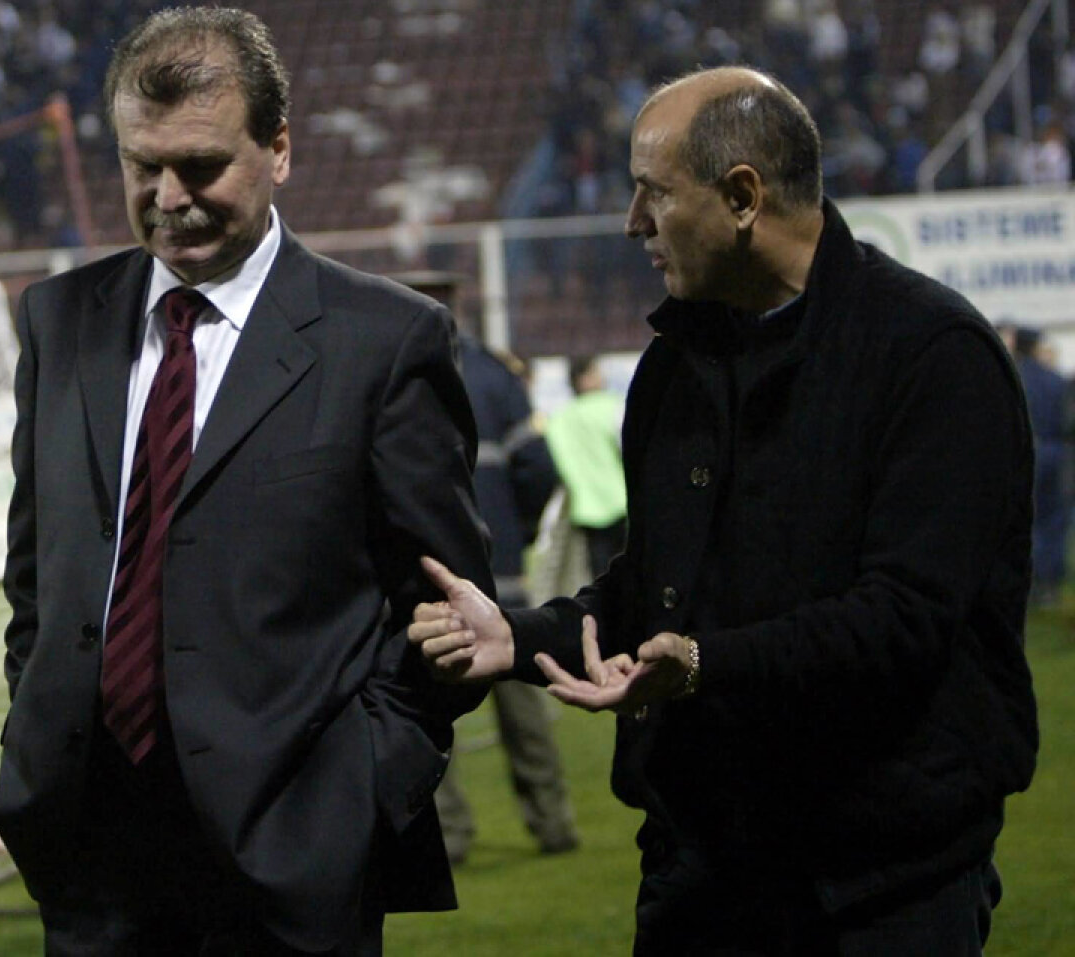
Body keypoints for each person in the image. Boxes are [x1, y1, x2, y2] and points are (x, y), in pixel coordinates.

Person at [409, 66, 1038, 955]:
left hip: (878, 883)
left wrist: (708, 663)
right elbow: (654, 588)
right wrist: (518, 636)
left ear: (743, 197)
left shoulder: (932, 355)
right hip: (701, 870)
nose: (633, 221)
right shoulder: (675, 363)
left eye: (654, 192)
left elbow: (906, 618)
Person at [0, 8, 493, 955]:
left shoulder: (384, 340)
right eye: (143, 166)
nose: (168, 197)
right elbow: (37, 576)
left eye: (201, 166)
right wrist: (39, 721)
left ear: (280, 150)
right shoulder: (59, 322)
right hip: (92, 857)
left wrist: (358, 786)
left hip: (293, 859)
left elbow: (451, 607)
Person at [396, 272, 579, 865]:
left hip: (422, 585)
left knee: (424, 706)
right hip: (501, 574)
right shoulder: (495, 376)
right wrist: (514, 535)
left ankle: (449, 835)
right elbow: (539, 470)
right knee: (523, 699)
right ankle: (552, 822)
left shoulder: (389, 371)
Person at [544, 353, 628, 578]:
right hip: (621, 501)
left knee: (599, 573)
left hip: (585, 506)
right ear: (584, 378)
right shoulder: (612, 407)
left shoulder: (559, 419)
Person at [1012, 326, 1071, 607]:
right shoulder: (1056, 380)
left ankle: (1028, 580)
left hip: (1025, 451)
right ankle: (1049, 584)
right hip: (1056, 452)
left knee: (1025, 518)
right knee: (1054, 519)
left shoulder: (1013, 377)